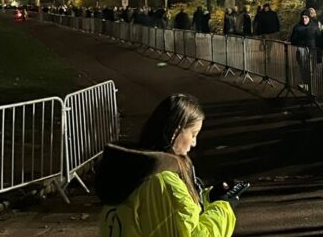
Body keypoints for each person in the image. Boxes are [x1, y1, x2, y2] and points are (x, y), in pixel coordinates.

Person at [95, 94, 238, 236]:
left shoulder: (132, 170)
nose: (194, 143)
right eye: (193, 134)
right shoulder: (162, 183)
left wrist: (209, 198)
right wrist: (222, 207)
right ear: (176, 131)